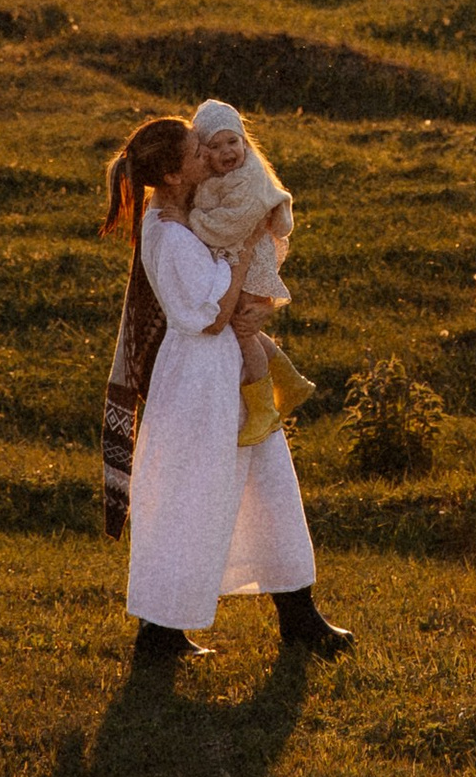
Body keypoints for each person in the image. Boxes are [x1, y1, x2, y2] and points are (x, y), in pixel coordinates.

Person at [98, 114, 351, 665]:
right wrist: (238, 258)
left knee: (269, 485)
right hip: (196, 380)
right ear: (170, 174)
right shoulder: (166, 233)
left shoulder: (184, 218)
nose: (206, 157)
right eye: (194, 152)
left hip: (224, 372)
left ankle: (298, 613)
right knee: (189, 500)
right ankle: (160, 633)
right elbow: (210, 314)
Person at [184, 96, 313, 448]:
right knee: (244, 328)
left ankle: (262, 408)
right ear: (202, 152)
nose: (227, 150)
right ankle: (290, 380)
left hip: (250, 265)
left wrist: (192, 222)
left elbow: (231, 226)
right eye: (215, 145)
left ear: (245, 141)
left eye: (233, 141)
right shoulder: (225, 176)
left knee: (241, 331)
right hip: (241, 260)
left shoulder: (248, 179)